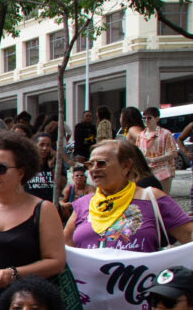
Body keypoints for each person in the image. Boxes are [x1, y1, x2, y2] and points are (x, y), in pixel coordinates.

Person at [0, 132, 66, 298]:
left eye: (0, 168)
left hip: (29, 306)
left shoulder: (43, 210)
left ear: (21, 173)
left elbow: (56, 262)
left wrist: (14, 274)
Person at [64, 139, 192, 250]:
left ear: (125, 166)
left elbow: (188, 234)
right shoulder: (83, 204)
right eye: (90, 164)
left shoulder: (152, 198)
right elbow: (65, 247)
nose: (94, 168)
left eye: (102, 163)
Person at [140, 106, 181, 193]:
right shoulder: (141, 135)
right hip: (146, 171)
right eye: (144, 118)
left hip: (163, 170)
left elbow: (173, 153)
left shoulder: (166, 134)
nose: (146, 120)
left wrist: (153, 160)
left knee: (163, 197)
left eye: (149, 118)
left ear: (157, 119)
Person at [24, 132, 67, 202]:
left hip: (50, 204)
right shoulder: (27, 164)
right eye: (41, 145)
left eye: (48, 145)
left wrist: (52, 167)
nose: (45, 148)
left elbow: (61, 185)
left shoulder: (57, 164)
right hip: (30, 204)